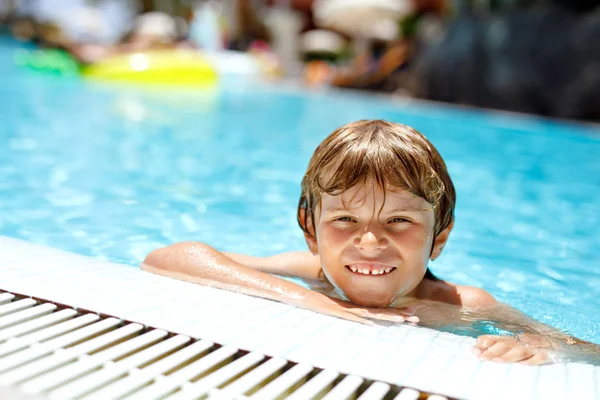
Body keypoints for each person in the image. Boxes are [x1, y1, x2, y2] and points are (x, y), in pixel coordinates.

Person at [143, 119, 599, 366]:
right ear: (311, 232)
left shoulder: (463, 304)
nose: (369, 241)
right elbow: (170, 256)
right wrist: (315, 302)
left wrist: (538, 345)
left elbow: (579, 347)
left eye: (399, 220)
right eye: (344, 219)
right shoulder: (316, 276)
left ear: (439, 238)